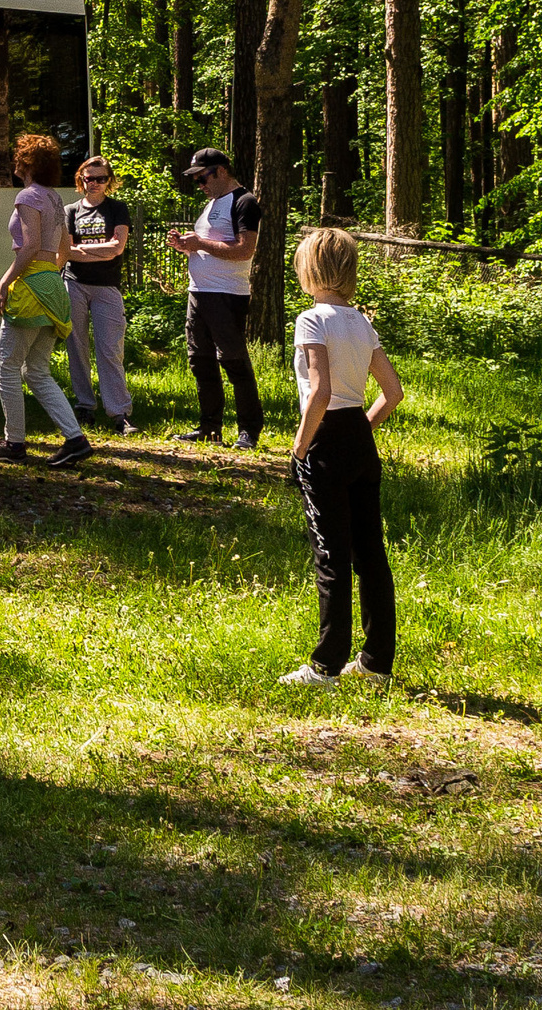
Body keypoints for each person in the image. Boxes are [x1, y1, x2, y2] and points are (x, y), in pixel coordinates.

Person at [280, 227, 403, 688]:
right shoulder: (361, 323)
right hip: (358, 437)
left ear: (309, 270)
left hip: (326, 438)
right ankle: (376, 663)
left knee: (330, 555)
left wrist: (300, 448)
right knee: (370, 553)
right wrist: (362, 428)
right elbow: (393, 392)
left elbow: (320, 391)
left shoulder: (311, 320)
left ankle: (325, 666)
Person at [0, 134, 85, 467]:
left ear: (27, 163)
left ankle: (14, 442)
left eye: (18, 157)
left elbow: (29, 246)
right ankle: (75, 439)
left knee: (6, 367)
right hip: (53, 284)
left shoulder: (28, 196)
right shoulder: (54, 198)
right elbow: (65, 250)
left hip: (31, 286)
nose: (14, 162)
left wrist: (4, 283)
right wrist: (47, 275)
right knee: (37, 371)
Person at [167, 147, 264, 449]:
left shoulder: (244, 202)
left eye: (202, 178)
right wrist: (185, 246)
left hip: (227, 295)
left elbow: (245, 250)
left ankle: (249, 430)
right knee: (201, 361)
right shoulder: (211, 204)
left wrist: (200, 244)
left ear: (221, 171)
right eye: (195, 180)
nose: (200, 185)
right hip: (198, 293)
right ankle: (210, 428)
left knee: (233, 362)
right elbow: (207, 245)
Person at [61, 153, 136, 447]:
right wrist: (98, 250)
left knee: (110, 349)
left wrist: (82, 250)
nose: (94, 183)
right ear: (81, 179)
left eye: (101, 178)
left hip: (107, 286)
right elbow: (66, 251)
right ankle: (84, 406)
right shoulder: (70, 210)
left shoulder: (117, 209)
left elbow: (117, 248)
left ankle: (120, 413)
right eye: (89, 178)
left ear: (109, 181)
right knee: (76, 347)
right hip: (74, 284)